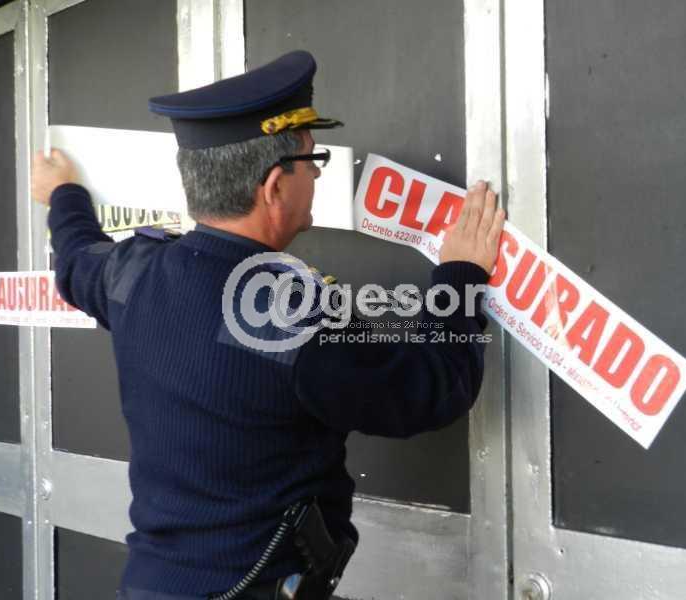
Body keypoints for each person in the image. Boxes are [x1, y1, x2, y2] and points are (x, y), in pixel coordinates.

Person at [31, 50, 505, 600]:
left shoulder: (131, 273)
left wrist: (63, 195)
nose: (318, 174)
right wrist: (461, 274)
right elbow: (433, 390)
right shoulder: (292, 318)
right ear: (276, 186)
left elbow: (75, 260)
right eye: (313, 160)